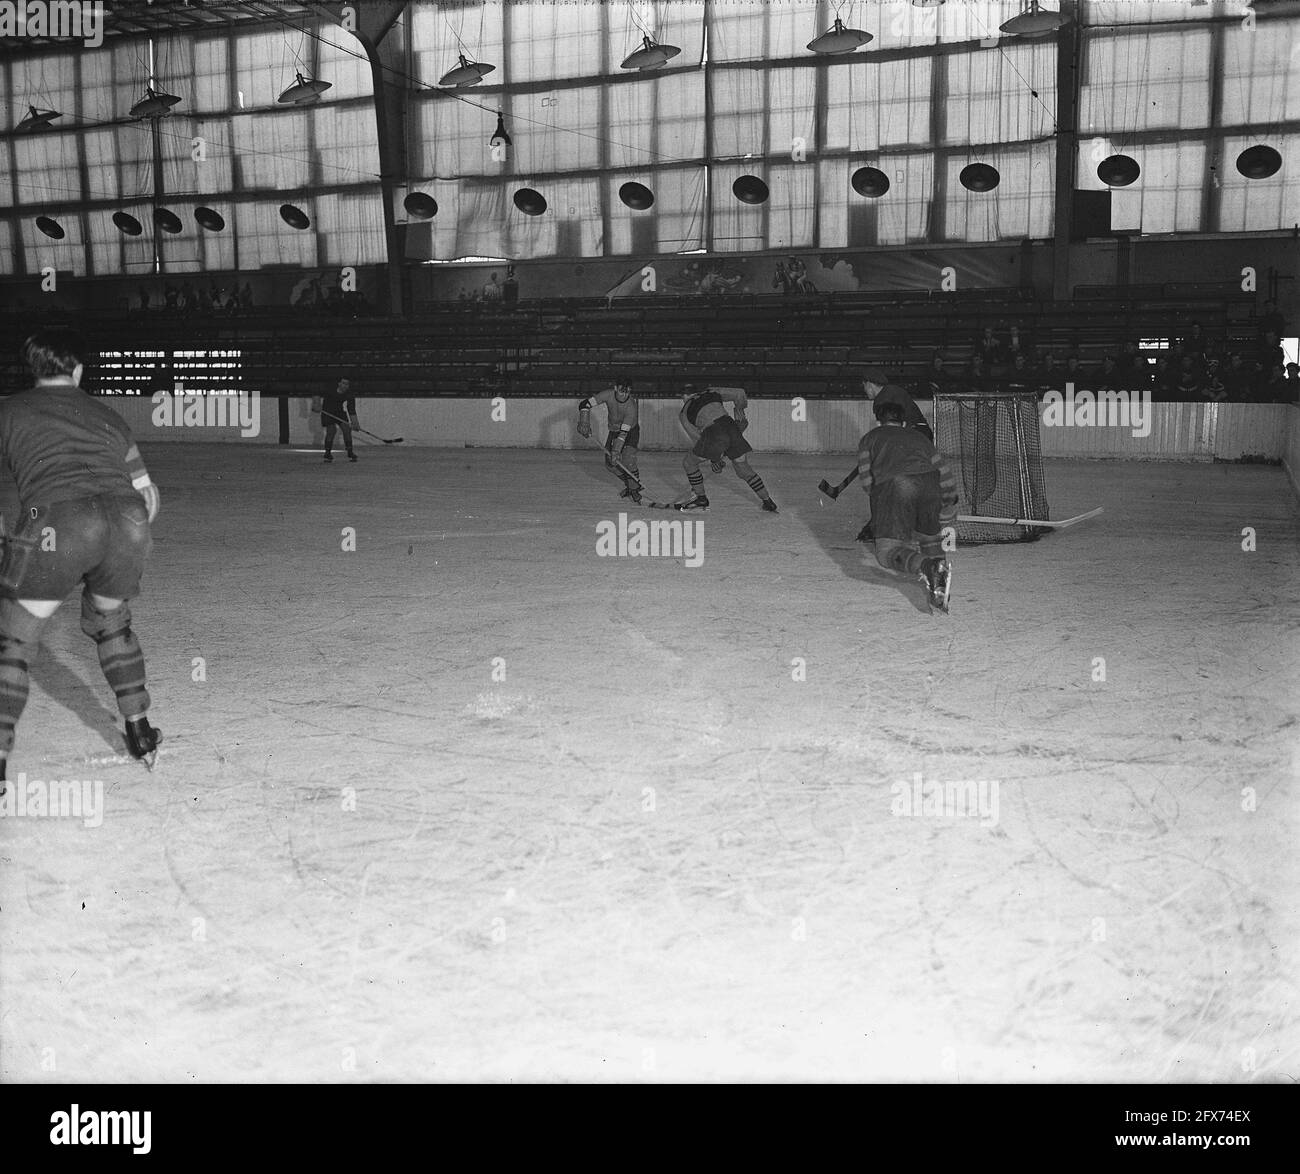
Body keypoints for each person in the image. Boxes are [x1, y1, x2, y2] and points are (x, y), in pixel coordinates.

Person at [0, 328, 163, 788]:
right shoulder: (109, 414)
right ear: (78, 370)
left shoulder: (10, 409)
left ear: (35, 371)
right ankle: (139, 730)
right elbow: (147, 495)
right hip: (127, 520)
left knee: (13, 643)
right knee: (112, 623)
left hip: (58, 522)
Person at [857, 400, 958, 614]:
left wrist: (885, 505)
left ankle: (928, 568)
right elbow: (944, 471)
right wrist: (949, 500)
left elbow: (867, 483)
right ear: (903, 423)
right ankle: (940, 588)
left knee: (886, 553)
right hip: (931, 483)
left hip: (896, 484)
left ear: (878, 422)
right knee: (930, 538)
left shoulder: (869, 439)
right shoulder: (920, 438)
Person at [677, 384, 777, 512]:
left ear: (684, 396)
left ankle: (701, 498)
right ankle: (767, 501)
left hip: (713, 432)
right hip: (731, 426)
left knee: (689, 463)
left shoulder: (684, 412)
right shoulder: (712, 391)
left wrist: (715, 459)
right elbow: (740, 393)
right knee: (743, 468)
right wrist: (739, 410)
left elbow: (698, 439)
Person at [577, 381, 641, 503]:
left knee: (628, 460)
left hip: (630, 432)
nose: (624, 395)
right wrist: (584, 420)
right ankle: (630, 483)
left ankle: (634, 488)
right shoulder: (607, 395)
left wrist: (616, 451)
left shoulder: (631, 407)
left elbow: (623, 433)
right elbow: (585, 404)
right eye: (622, 391)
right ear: (616, 388)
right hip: (614, 431)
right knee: (610, 465)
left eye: (627, 392)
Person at [321, 378, 358, 463]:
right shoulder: (329, 389)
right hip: (327, 411)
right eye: (343, 383)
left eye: (347, 384)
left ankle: (350, 452)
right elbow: (316, 392)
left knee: (347, 429)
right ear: (339, 383)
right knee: (331, 430)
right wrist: (316, 402)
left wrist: (355, 423)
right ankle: (327, 453)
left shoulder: (349, 394)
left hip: (339, 412)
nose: (345, 386)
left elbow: (351, 409)